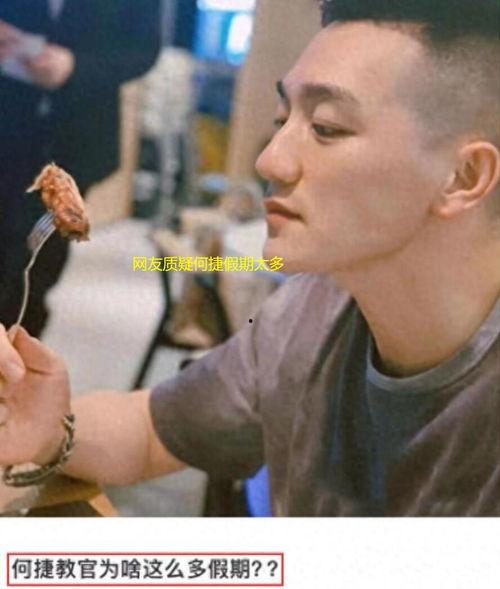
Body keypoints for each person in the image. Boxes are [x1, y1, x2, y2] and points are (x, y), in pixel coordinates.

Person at [0, 0, 499, 516]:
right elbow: (151, 430)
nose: (269, 160)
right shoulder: (309, 309)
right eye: (283, 119)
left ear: (463, 177)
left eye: (326, 127)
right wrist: (46, 427)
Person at [0, 0, 161, 336]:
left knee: (36, 268)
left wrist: (75, 66)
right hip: (9, 127)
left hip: (76, 143)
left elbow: (144, 50)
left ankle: (19, 359)